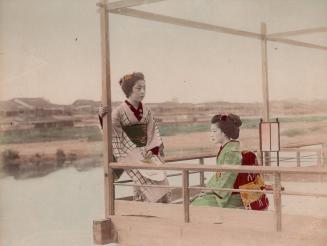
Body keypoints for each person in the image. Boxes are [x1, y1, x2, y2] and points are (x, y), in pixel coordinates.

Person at [98, 72, 170, 203]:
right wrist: (102, 118)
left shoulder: (146, 110)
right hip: (130, 153)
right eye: (138, 88)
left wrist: (153, 150)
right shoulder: (119, 111)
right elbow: (112, 131)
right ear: (129, 90)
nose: (142, 91)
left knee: (162, 181)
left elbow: (153, 132)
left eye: (144, 88)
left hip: (148, 153)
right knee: (144, 186)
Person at [191, 113, 244, 208]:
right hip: (225, 192)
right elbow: (219, 176)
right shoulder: (227, 148)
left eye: (214, 131)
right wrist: (207, 190)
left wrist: (213, 193)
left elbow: (227, 178)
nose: (211, 135)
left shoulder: (231, 152)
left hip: (231, 196)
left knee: (196, 204)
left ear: (224, 132)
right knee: (195, 200)